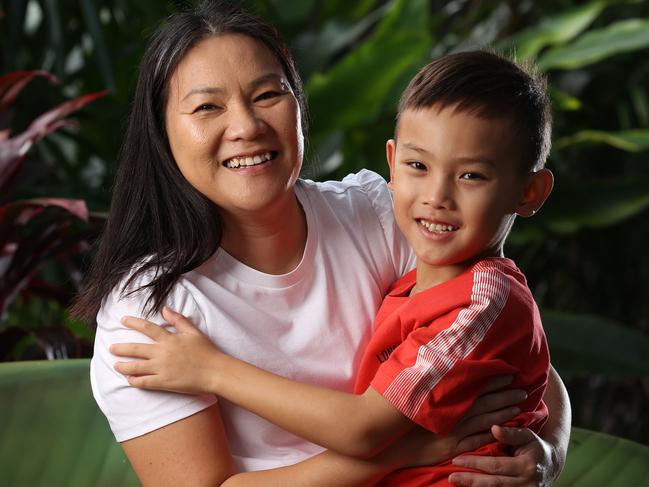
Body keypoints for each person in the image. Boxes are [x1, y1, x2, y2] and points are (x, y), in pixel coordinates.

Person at [72, 1, 571, 485]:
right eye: (207, 107)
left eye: (268, 95)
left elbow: (519, 361)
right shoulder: (150, 313)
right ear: (162, 131)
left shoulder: (380, 214)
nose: (246, 126)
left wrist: (550, 452)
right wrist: (404, 452)